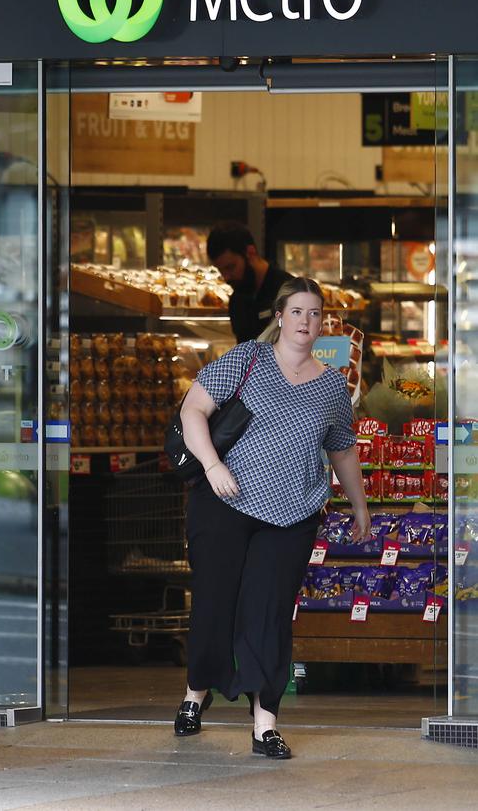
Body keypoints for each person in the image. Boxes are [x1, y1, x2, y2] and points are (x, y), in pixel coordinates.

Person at [172, 276, 371, 759]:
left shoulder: (330, 386)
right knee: (216, 606)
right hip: (225, 501)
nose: (307, 321)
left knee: (270, 616)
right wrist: (214, 466)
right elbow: (192, 409)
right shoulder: (247, 360)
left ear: (323, 324)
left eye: (315, 314)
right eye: (298, 311)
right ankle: (196, 692)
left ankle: (265, 725)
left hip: (291, 516)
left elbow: (342, 450)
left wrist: (360, 506)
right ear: (279, 316)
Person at [207, 221, 294, 343]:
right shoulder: (237, 300)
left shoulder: (291, 291)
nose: (226, 277)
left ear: (250, 253)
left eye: (230, 267)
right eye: (221, 271)